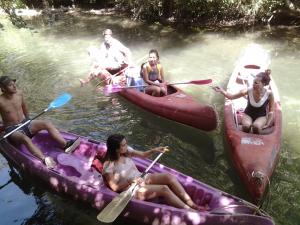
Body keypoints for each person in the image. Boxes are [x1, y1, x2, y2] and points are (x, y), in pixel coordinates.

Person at [102, 134, 208, 211]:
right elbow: (115, 188)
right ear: (116, 149)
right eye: (123, 145)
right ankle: (191, 211)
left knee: (169, 177)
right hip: (131, 189)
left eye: (126, 143)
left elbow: (143, 155)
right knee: (164, 189)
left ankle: (193, 205)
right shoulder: (109, 165)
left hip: (140, 177)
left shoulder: (126, 151)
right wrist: (130, 181)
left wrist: (155, 150)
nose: (126, 146)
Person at [0, 76, 80, 169]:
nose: (14, 86)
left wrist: (28, 119)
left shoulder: (19, 93)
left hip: (25, 123)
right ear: (3, 88)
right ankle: (44, 159)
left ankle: (65, 145)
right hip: (13, 129)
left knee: (47, 124)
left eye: (14, 84)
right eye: (10, 85)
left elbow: (24, 108)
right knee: (25, 139)